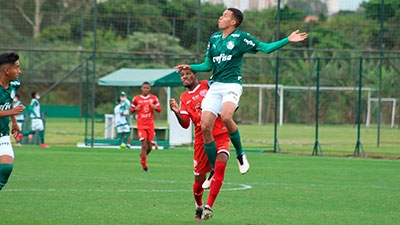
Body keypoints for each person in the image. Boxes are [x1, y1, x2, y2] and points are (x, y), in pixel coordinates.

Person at [175, 8, 308, 175]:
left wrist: (287, 39)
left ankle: (240, 154)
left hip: (232, 85)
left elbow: (265, 48)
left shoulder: (241, 37)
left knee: (226, 116)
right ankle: (213, 170)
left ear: (233, 22)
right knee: (205, 126)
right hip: (215, 86)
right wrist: (191, 67)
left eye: (224, 15)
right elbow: (208, 66)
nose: (220, 17)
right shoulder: (214, 38)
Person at [170, 69, 230, 221]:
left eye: (188, 74)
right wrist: (177, 112)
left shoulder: (207, 85)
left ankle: (209, 207)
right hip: (201, 140)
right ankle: (199, 205)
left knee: (220, 165)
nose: (185, 77)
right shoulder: (184, 97)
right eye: (182, 75)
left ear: (196, 76)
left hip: (220, 133)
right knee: (199, 181)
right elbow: (185, 124)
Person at [0, 52, 25, 191]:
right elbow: (10, 109)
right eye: (17, 67)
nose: (19, 71)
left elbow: (8, 102)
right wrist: (12, 112)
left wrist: (14, 122)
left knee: (6, 167)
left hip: (2, 133)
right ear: (7, 70)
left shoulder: (14, 84)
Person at [130, 82, 161, 172]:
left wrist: (155, 107)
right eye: (144, 88)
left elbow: (159, 110)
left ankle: (142, 157)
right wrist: (135, 109)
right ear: (141, 88)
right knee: (143, 145)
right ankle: (144, 166)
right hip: (141, 124)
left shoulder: (153, 98)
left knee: (149, 147)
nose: (145, 89)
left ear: (149, 89)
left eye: (147, 88)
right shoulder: (136, 99)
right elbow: (131, 110)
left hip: (150, 125)